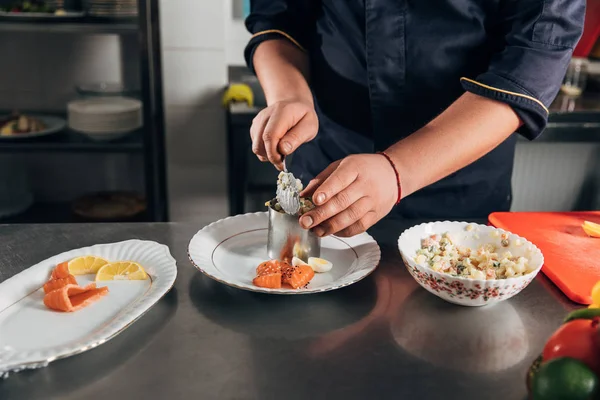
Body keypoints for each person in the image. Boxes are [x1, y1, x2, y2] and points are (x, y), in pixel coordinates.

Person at [244, 0, 585, 237]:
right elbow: (277, 17)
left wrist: (397, 170)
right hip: (326, 163)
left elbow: (533, 58)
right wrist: (289, 94)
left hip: (458, 185)